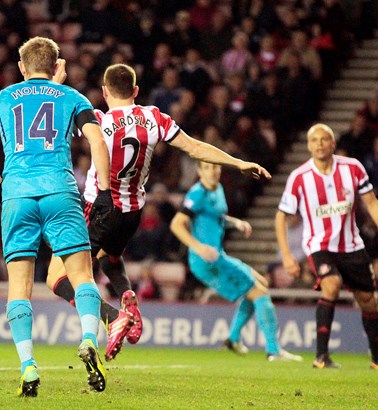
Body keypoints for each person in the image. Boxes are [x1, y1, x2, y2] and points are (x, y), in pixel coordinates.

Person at [46, 63, 273, 361]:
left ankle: (112, 317)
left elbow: (51, 112)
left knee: (58, 277)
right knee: (109, 259)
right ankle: (128, 299)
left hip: (98, 208)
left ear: (104, 92)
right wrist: (238, 163)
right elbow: (194, 148)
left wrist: (57, 83)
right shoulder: (154, 118)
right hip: (133, 213)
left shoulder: (96, 119)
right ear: (136, 91)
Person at [0, 37, 111, 397]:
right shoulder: (73, 97)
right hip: (60, 190)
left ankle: (28, 366)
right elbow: (97, 141)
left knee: (20, 286)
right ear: (56, 64)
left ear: (21, 66)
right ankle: (90, 339)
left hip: (17, 194)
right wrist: (105, 190)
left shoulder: (0, 99)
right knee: (81, 274)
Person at [171, 161, 302, 362]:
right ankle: (274, 351)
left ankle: (232, 339)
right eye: (207, 167)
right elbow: (177, 224)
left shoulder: (219, 189)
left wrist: (236, 223)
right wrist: (198, 247)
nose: (213, 171)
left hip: (219, 256)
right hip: (206, 261)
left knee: (261, 283)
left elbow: (216, 217)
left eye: (215, 167)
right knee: (259, 292)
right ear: (199, 171)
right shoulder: (197, 193)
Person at [275, 123, 378, 369]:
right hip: (319, 245)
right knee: (331, 285)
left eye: (324, 139)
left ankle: (375, 358)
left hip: (351, 245)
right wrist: (287, 256)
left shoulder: (353, 169)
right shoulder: (299, 178)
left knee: (368, 300)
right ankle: (321, 357)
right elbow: (281, 217)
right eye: (314, 140)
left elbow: (372, 203)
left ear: (333, 143)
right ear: (309, 146)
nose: (319, 144)